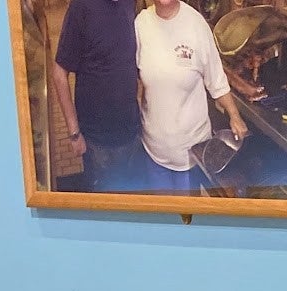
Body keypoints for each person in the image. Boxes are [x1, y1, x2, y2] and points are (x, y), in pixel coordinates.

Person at [135, 0, 249, 193]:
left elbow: (217, 80)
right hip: (153, 149)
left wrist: (234, 115)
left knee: (187, 217)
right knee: (163, 218)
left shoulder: (196, 25)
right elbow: (136, 76)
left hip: (189, 153)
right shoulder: (141, 24)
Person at [50, 0, 143, 191]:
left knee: (133, 200)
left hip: (131, 132)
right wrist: (74, 133)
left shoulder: (130, 3)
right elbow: (59, 73)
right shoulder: (81, 6)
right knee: (105, 207)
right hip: (96, 141)